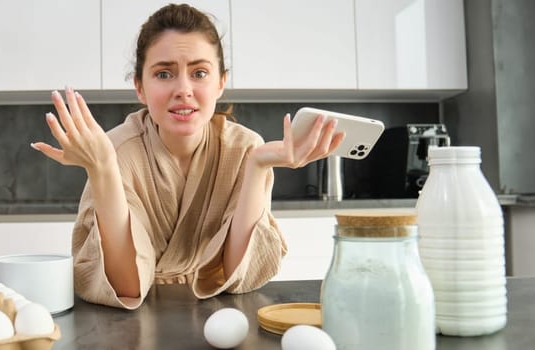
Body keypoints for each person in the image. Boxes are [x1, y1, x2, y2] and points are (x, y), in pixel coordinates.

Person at [31, 3, 343, 309]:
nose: (183, 89)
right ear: (139, 86)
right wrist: (103, 170)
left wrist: (258, 167)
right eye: (164, 74)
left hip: (213, 308)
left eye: (200, 72)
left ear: (221, 82)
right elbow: (124, 285)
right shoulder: (115, 150)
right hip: (135, 318)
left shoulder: (245, 149)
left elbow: (233, 273)